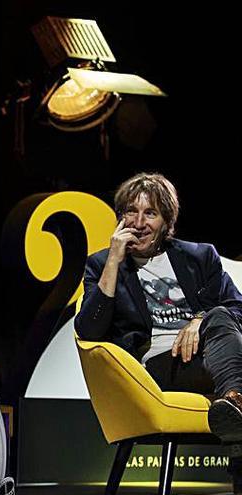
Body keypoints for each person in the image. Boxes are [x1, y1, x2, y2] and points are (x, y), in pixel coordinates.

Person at [75, 172, 242, 491]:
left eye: (150, 213)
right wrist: (113, 261)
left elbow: (237, 307)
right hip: (159, 369)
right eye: (130, 212)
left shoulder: (198, 257)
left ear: (167, 222)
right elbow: (88, 329)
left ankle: (234, 404)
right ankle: (235, 403)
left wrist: (199, 319)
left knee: (219, 315)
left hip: (214, 360)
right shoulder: (101, 265)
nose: (138, 223)